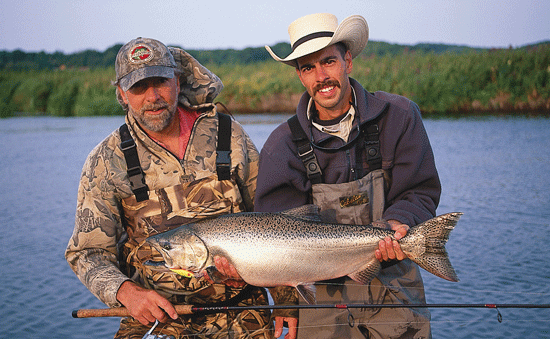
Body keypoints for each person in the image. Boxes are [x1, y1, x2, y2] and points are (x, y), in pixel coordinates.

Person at [65, 37, 273, 339]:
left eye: (160, 81)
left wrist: (286, 302)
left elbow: (274, 221)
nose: (152, 97)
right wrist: (127, 292)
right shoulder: (106, 161)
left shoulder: (229, 134)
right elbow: (87, 253)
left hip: (243, 313)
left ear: (177, 80)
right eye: (138, 87)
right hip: (156, 320)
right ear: (122, 94)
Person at [255, 13, 441, 339]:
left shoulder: (399, 116)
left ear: (348, 61)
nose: (321, 76)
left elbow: (421, 191)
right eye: (308, 68)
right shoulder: (280, 146)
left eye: (328, 61)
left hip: (396, 289)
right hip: (322, 306)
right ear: (299, 76)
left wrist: (400, 222)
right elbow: (273, 231)